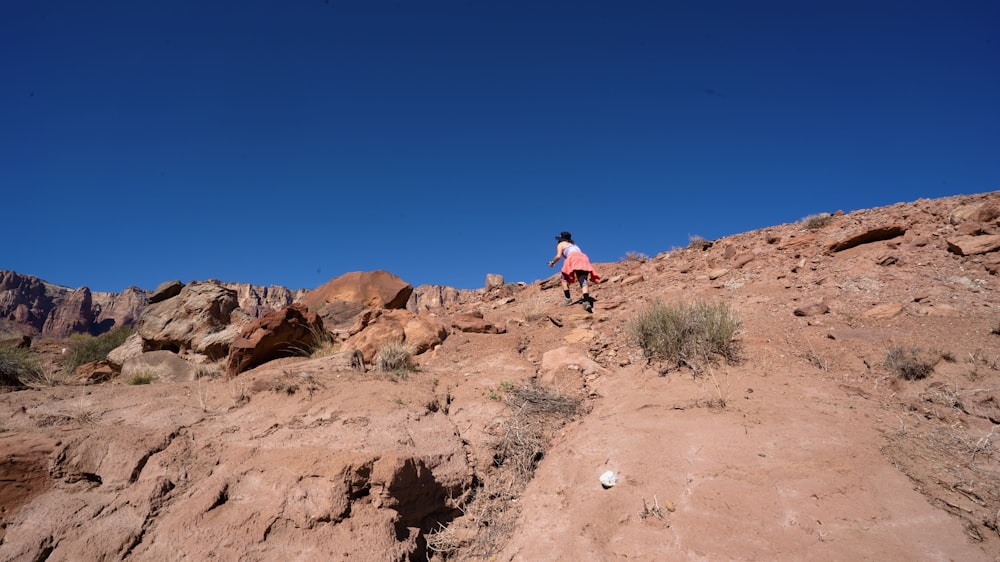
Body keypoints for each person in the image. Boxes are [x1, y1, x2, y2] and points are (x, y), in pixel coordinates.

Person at [548, 231, 600, 312]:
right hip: (583, 258)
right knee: (583, 280)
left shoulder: (561, 244)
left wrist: (552, 263)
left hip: (572, 258)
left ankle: (568, 299)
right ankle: (586, 301)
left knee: (563, 278)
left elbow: (558, 256)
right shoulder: (574, 245)